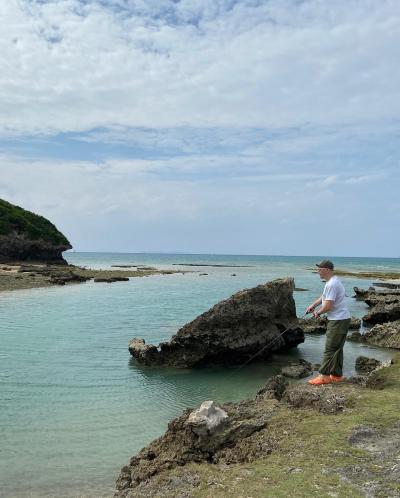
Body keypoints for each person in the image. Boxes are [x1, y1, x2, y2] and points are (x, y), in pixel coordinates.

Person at [306, 260, 351, 385]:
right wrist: (313, 305)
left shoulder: (332, 284)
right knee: (337, 348)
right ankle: (336, 375)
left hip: (338, 320)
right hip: (341, 319)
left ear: (327, 270)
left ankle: (324, 376)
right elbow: (324, 296)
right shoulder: (332, 282)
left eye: (320, 269)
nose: (318, 271)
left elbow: (328, 306)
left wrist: (318, 313)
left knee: (330, 348)